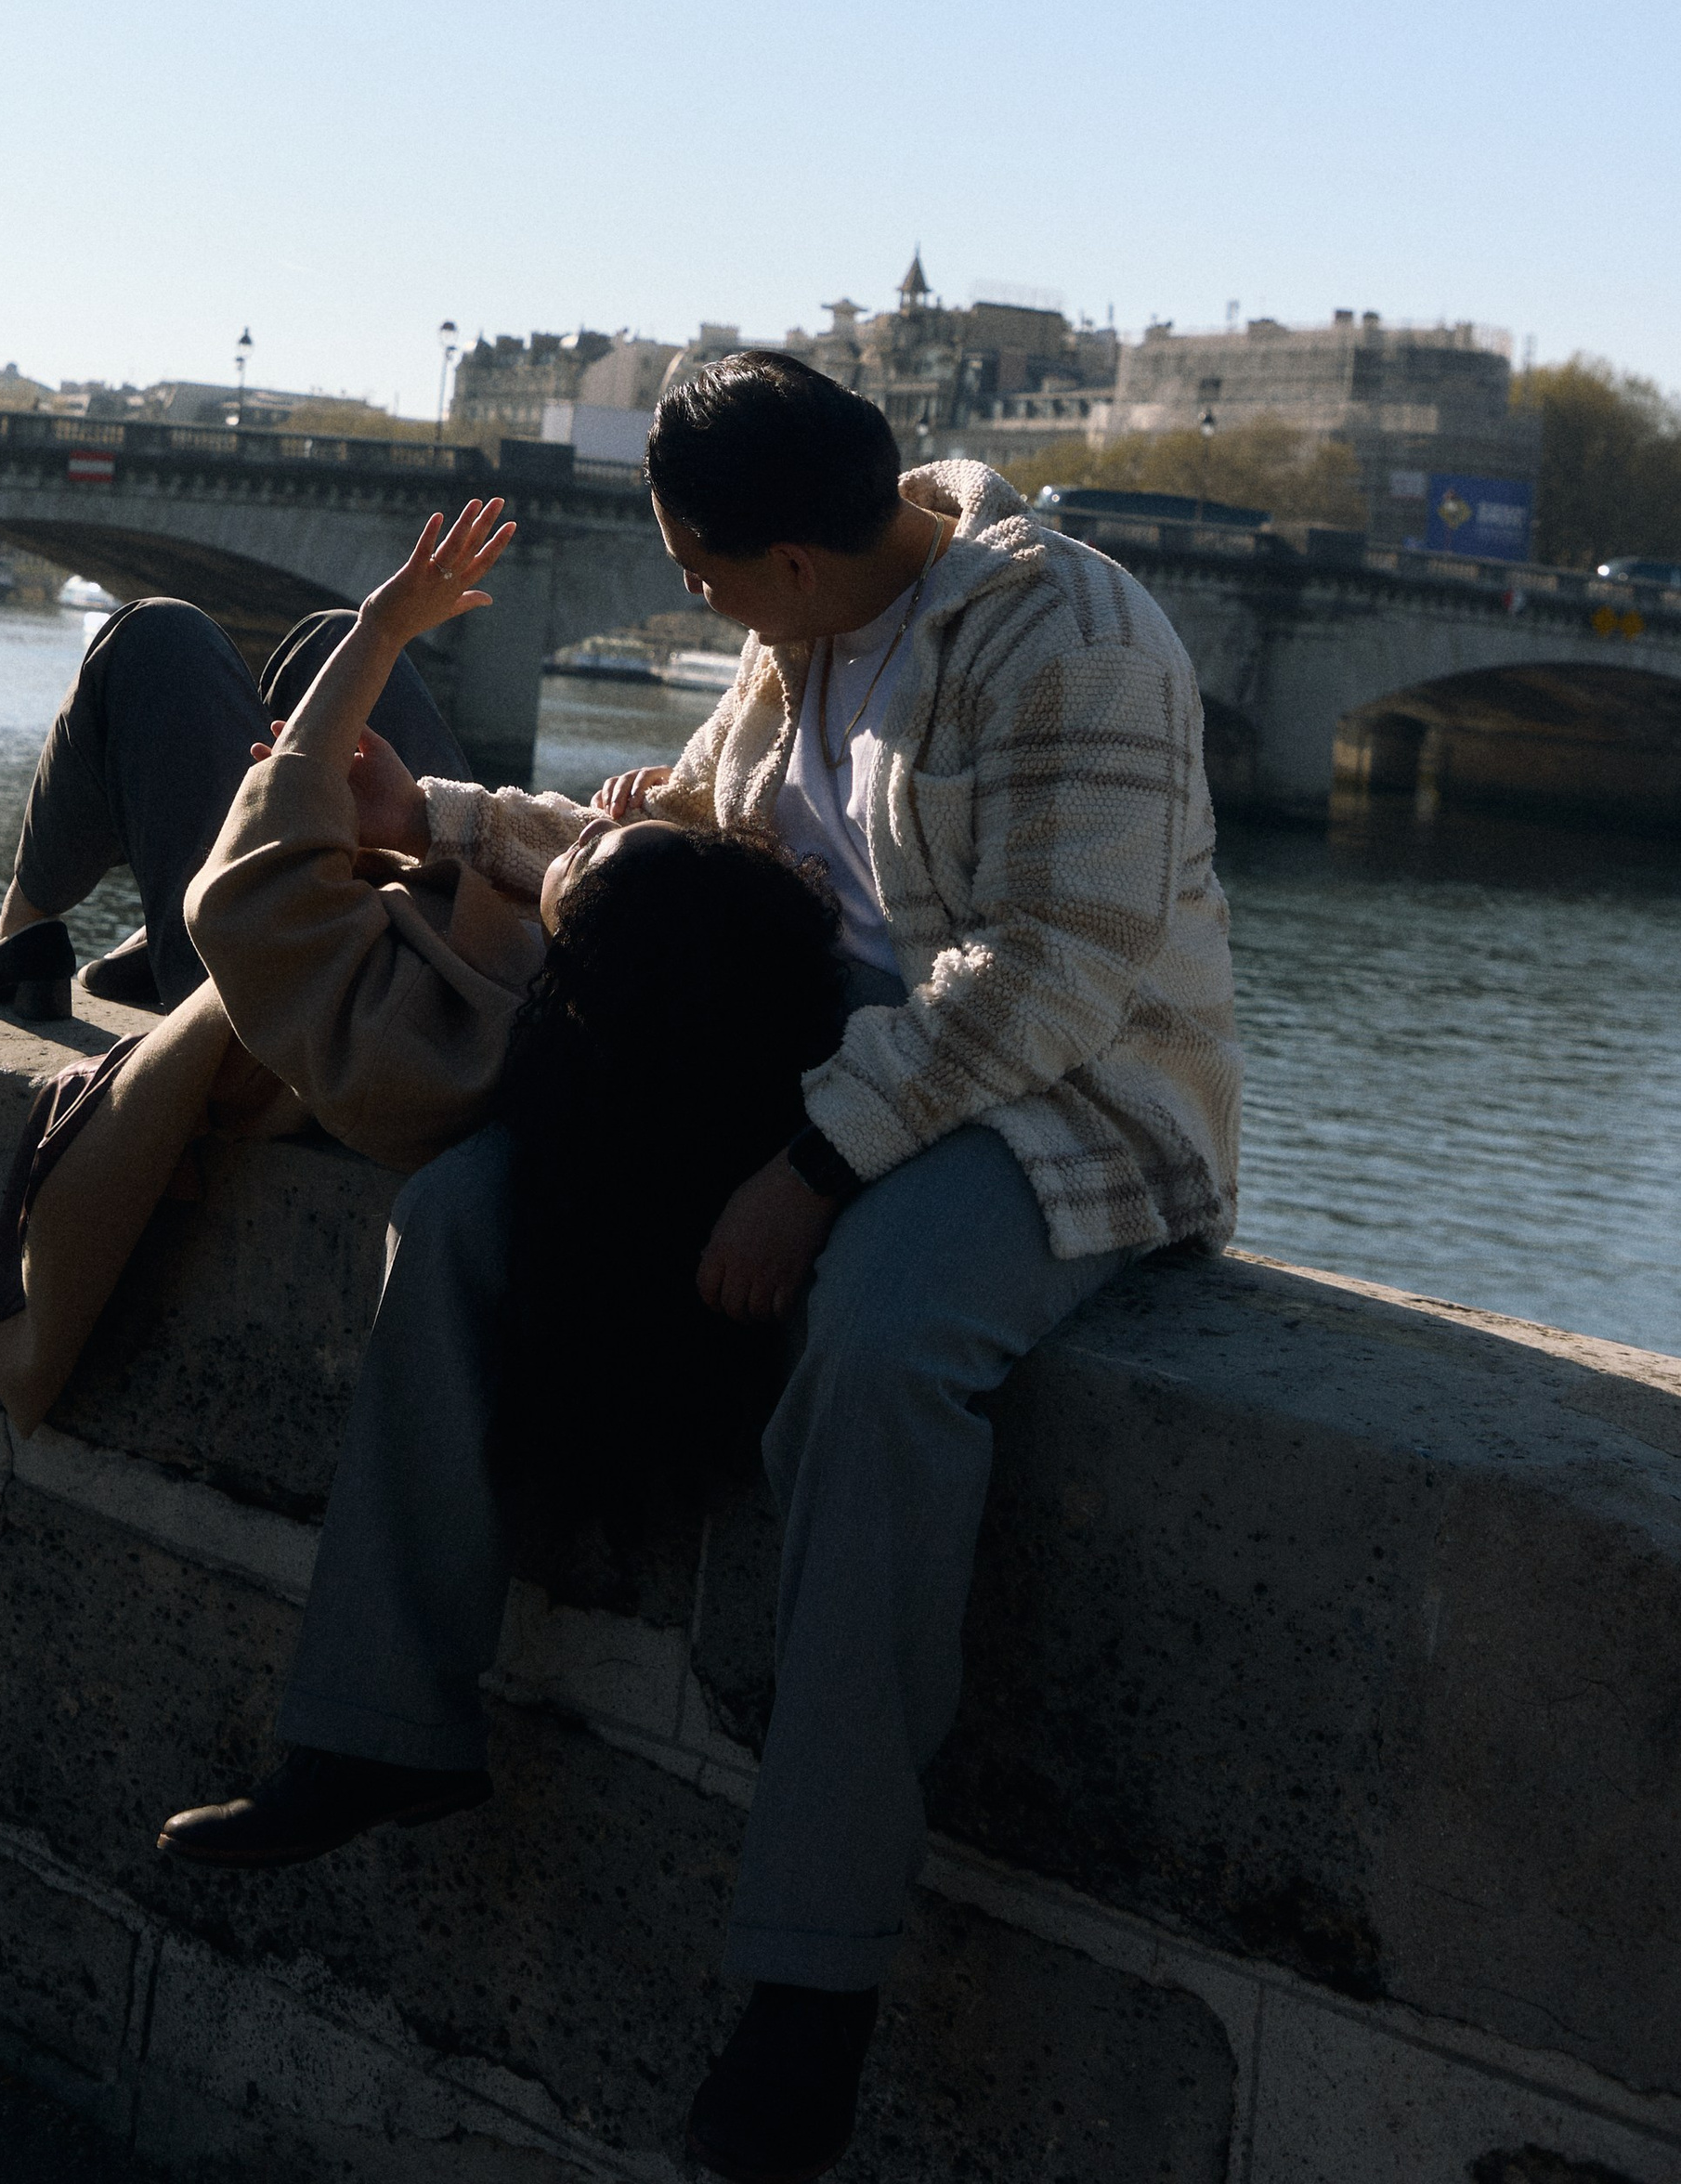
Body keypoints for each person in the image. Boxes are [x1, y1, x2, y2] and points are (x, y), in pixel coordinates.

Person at [156, 350, 1241, 2184]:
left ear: (797, 560)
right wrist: (440, 823)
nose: (688, 594)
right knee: (462, 1216)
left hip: (1055, 1111)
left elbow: (1055, 972)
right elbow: (679, 849)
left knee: (884, 1350)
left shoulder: (1068, 632)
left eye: (700, 564)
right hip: (792, 1070)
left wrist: (809, 1173)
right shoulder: (804, 633)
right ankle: (373, 1723)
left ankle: (807, 1991)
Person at [0, 500, 555, 1437]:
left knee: (160, 641)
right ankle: (90, 929)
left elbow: (263, 907)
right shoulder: (814, 697)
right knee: (324, 646)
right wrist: (420, 822)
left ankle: (25, 923)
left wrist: (382, 633)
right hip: (473, 948)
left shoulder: (346, 1005)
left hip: (347, 982)